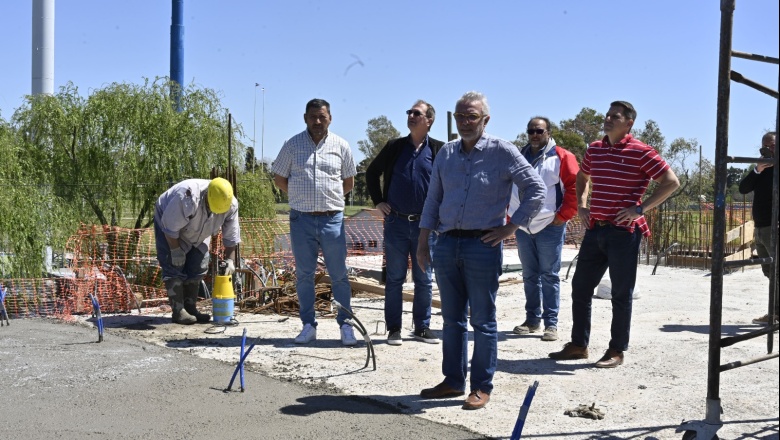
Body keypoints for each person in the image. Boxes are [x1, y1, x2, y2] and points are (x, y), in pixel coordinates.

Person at [416, 91, 545, 410]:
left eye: (471, 116)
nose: (464, 122)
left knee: (483, 321)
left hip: (482, 247)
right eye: (460, 116)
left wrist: (512, 226)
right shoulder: (446, 153)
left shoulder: (503, 151)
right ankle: (452, 381)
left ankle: (481, 386)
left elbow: (536, 189)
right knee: (451, 319)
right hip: (446, 244)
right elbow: (433, 199)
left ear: (485, 120)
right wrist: (422, 243)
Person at [549, 101, 680, 368]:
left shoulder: (642, 151)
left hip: (624, 233)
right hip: (596, 229)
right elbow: (583, 176)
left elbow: (671, 182)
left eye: (615, 116)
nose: (608, 119)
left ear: (628, 123)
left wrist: (640, 208)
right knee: (580, 287)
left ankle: (616, 350)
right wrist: (583, 205)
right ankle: (578, 345)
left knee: (621, 293)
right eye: (607, 115)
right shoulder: (595, 149)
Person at [272, 98, 359, 346]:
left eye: (322, 116)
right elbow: (279, 178)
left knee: (339, 275)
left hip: (333, 219)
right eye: (313, 117)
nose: (317, 121)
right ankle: (308, 325)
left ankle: (346, 325)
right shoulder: (292, 145)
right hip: (302, 220)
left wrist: (327, 201)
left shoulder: (341, 145)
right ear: (305, 118)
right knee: (304, 275)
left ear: (330, 118)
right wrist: (300, 198)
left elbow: (349, 182)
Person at [365, 100, 445, 346]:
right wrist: (379, 201)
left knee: (424, 278)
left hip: (426, 227)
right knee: (395, 278)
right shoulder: (394, 147)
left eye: (416, 113)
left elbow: (449, 181)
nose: (411, 116)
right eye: (409, 112)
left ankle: (422, 328)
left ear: (429, 120)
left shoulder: (440, 150)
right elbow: (371, 173)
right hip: (396, 223)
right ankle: (394, 330)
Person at [508, 116, 579, 342]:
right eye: (531, 131)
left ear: (548, 132)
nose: (535, 135)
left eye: (539, 131)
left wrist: (562, 216)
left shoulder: (562, 157)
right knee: (529, 275)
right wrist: (510, 217)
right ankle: (532, 321)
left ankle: (551, 324)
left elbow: (575, 188)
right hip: (522, 226)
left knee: (549, 275)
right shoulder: (517, 157)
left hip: (549, 226)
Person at [154, 177, 240, 325]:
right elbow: (169, 228)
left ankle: (190, 308)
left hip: (199, 230)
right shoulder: (187, 197)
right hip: (169, 225)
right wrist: (175, 250)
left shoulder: (230, 204)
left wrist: (230, 260)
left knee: (199, 264)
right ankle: (178, 311)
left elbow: (231, 237)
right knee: (173, 265)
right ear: (207, 196)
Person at [738, 132, 777, 324]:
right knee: (769, 271)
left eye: (773, 146)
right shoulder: (761, 169)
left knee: (777, 270)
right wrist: (757, 169)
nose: (769, 149)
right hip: (760, 226)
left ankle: (776, 314)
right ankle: (776, 312)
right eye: (766, 146)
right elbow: (743, 188)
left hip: (774, 226)